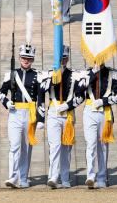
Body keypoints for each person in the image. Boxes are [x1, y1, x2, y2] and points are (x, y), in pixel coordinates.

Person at [0, 11, 46, 189]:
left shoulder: (38, 75)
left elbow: (41, 98)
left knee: (27, 148)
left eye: (29, 58)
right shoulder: (11, 74)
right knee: (15, 146)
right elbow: (0, 93)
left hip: (31, 113)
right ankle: (13, 177)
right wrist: (6, 103)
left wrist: (41, 119)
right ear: (19, 58)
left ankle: (24, 178)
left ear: (32, 59)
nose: (26, 60)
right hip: (15, 112)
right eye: (24, 58)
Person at [40, 46, 85, 189]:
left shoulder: (75, 75)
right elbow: (41, 91)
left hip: (68, 115)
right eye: (60, 58)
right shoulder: (49, 74)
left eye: (65, 57)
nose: (63, 60)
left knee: (66, 149)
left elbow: (81, 95)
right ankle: (53, 177)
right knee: (55, 147)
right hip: (53, 112)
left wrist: (69, 105)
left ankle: (65, 178)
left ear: (68, 58)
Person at [80, 63, 117, 189]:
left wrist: (103, 101)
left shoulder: (112, 73)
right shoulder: (87, 73)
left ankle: (102, 177)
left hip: (105, 111)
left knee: (103, 146)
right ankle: (90, 175)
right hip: (89, 111)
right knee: (91, 144)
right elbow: (79, 89)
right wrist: (93, 72)